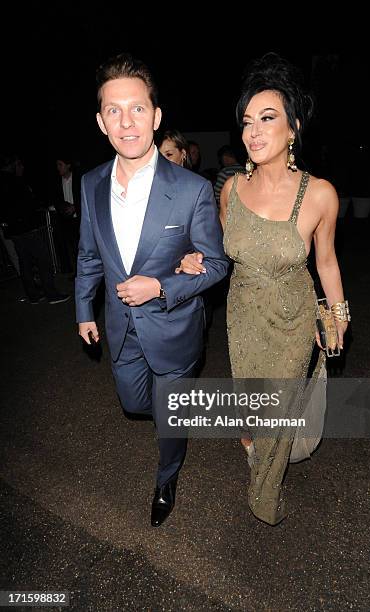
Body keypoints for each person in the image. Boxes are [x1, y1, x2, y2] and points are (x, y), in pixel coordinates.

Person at [176, 52, 350, 525]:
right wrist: (193, 257)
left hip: (292, 318)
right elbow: (218, 249)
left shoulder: (318, 194)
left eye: (267, 119)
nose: (253, 131)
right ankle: (256, 451)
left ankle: (264, 494)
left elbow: (327, 263)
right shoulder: (231, 189)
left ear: (292, 128)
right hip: (242, 315)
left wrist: (336, 318)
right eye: (248, 122)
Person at [75, 53, 229, 527]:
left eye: (138, 109)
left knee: (170, 420)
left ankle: (167, 478)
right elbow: (88, 256)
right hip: (120, 328)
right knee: (134, 403)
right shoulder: (91, 184)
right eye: (114, 110)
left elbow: (218, 264)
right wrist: (83, 309)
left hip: (174, 330)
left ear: (156, 117)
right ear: (101, 121)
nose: (127, 122)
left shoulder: (190, 189)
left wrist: (163, 285)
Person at [0, 152, 70, 305]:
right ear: (13, 166)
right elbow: (28, 205)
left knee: (24, 262)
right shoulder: (16, 182)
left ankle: (33, 295)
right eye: (19, 164)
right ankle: (51, 294)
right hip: (26, 228)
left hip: (14, 231)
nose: (22, 167)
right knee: (43, 259)